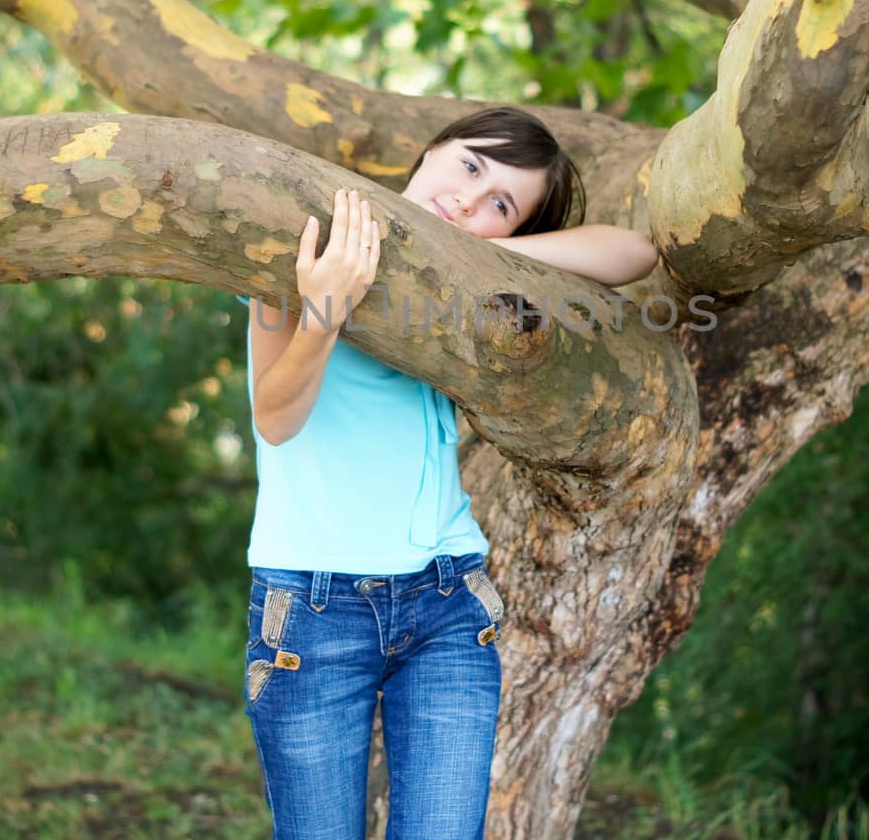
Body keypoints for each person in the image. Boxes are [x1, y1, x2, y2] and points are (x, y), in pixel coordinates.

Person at [242, 107, 657, 839]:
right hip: (312, 607)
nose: (470, 199)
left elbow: (633, 252)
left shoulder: (476, 286)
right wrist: (325, 312)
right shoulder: (319, 237)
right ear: (432, 151)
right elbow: (275, 418)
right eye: (470, 165)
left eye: (501, 202)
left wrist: (500, 254)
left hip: (447, 606)